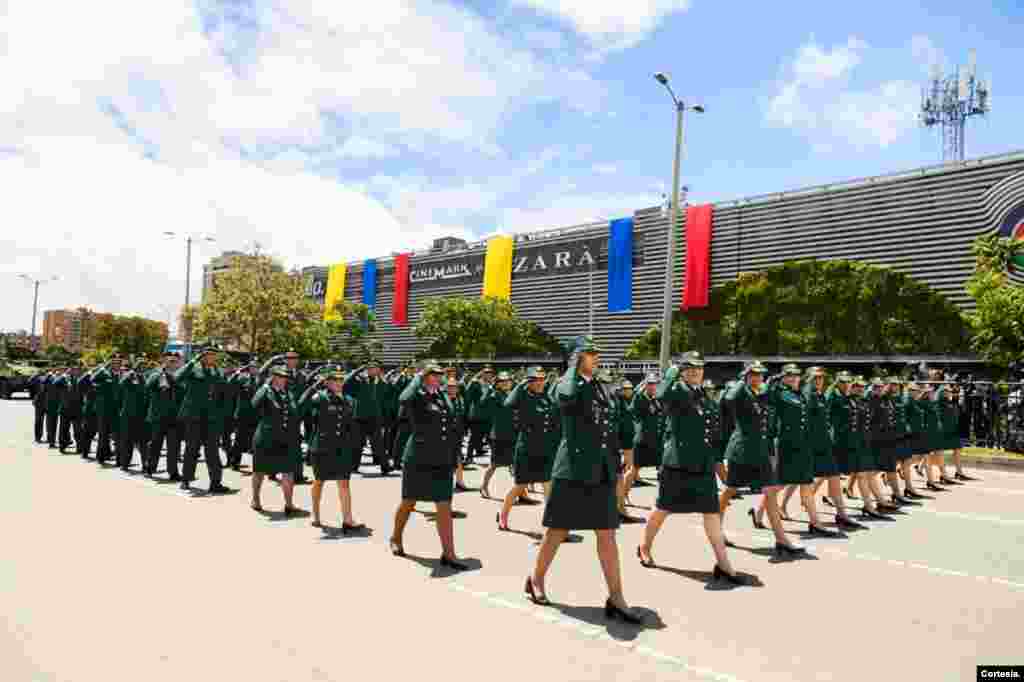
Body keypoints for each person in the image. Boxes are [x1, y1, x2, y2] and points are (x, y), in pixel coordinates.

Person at [526, 337, 641, 624]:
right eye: (590, 354)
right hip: (573, 469)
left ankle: (616, 596)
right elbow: (563, 395)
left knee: (607, 534)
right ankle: (536, 579)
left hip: (600, 469)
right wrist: (572, 368)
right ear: (577, 358)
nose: (596, 357)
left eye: (596, 353)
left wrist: (618, 460)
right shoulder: (568, 384)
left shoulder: (598, 386)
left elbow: (609, 425)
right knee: (556, 531)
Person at [638, 351, 745, 585]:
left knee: (711, 513)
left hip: (703, 464)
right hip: (678, 464)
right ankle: (644, 547)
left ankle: (724, 563)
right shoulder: (676, 390)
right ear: (682, 371)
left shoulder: (703, 395)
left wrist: (717, 459)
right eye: (689, 368)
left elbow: (712, 429)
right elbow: (661, 394)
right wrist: (672, 372)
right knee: (663, 508)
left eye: (698, 368)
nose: (695, 371)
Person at [719, 361, 806, 559]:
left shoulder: (763, 393)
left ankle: (782, 539)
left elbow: (775, 403)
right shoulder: (739, 391)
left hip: (760, 452)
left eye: (760, 374)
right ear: (746, 375)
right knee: (729, 491)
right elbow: (729, 399)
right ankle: (717, 527)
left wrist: (776, 383)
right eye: (753, 374)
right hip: (741, 452)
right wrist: (742, 381)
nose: (757, 377)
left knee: (770, 492)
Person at [389, 363, 467, 570]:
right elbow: (403, 399)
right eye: (432, 374)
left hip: (441, 459)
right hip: (418, 458)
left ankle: (449, 553)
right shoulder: (416, 395)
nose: (437, 377)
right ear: (424, 376)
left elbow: (450, 420)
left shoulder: (441, 395)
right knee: (408, 502)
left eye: (439, 374)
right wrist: (417, 378)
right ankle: (396, 537)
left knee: (444, 505)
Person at [300, 370, 364, 531]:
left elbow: (352, 425)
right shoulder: (320, 398)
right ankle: (316, 515)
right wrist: (313, 387)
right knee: (319, 481)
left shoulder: (350, 400)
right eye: (334, 380)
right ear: (327, 382)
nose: (338, 382)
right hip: (322, 447)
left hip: (342, 448)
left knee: (344, 482)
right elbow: (301, 405)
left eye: (341, 379)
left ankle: (348, 520)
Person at [498, 367, 558, 531]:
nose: (540, 382)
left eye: (542, 379)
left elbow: (554, 418)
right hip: (527, 449)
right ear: (529, 381)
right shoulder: (522, 396)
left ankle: (552, 524)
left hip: (545, 449)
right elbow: (508, 404)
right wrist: (520, 385)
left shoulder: (546, 397)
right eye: (536, 379)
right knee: (520, 486)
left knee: (547, 485)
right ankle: (503, 515)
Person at [174, 348, 231, 495]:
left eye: (214, 355)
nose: (212, 357)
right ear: (202, 356)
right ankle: (186, 479)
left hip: (211, 418)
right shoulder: (194, 370)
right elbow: (177, 377)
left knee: (212, 452)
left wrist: (222, 415)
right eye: (208, 355)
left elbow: (224, 393)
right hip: (194, 417)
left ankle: (215, 483)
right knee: (191, 449)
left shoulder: (217, 372)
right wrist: (193, 360)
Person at [251, 366, 301, 513]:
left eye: (285, 377)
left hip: (285, 438)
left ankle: (289, 504)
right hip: (266, 437)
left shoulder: (288, 393)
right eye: (280, 377)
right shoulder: (266, 391)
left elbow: (293, 411)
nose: (283, 379)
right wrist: (265, 386)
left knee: (288, 471)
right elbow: (254, 403)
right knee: (259, 470)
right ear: (273, 377)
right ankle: (255, 498)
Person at [343, 361, 390, 475]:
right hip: (359, 417)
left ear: (378, 370)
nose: (371, 370)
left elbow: (386, 401)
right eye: (369, 368)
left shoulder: (383, 383)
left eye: (374, 368)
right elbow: (345, 382)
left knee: (378, 444)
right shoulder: (360, 381)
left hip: (375, 418)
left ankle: (385, 467)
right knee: (357, 444)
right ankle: (353, 467)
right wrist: (358, 370)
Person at [146, 352, 182, 481]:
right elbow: (148, 385)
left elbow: (183, 391)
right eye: (170, 361)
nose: (172, 363)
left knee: (173, 447)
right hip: (158, 416)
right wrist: (162, 373)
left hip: (173, 417)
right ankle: (150, 468)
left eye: (175, 361)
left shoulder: (180, 376)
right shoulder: (156, 373)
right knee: (155, 444)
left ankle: (173, 472)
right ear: (165, 361)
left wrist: (172, 377)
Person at [479, 371, 515, 499]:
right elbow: (483, 403)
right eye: (502, 381)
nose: (506, 383)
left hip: (512, 434)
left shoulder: (511, 394)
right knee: (494, 464)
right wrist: (489, 389)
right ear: (498, 384)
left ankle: (521, 492)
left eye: (508, 381)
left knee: (516, 464)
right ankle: (483, 486)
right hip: (499, 435)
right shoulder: (495, 395)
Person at [631, 374, 664, 488]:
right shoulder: (639, 398)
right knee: (634, 468)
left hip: (657, 439)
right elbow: (633, 410)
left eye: (654, 384)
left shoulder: (657, 400)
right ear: (645, 385)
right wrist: (640, 391)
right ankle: (622, 495)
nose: (652, 386)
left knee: (662, 467)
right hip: (643, 439)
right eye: (649, 384)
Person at [117, 360, 149, 473]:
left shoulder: (144, 378)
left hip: (140, 415)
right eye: (140, 366)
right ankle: (125, 463)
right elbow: (121, 384)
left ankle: (145, 465)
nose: (142, 368)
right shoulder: (129, 376)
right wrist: (130, 373)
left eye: (144, 366)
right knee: (127, 440)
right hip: (128, 414)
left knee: (142, 441)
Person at [227, 363, 258, 470]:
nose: (254, 369)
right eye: (252, 367)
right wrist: (238, 372)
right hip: (242, 415)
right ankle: (234, 462)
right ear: (249, 369)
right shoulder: (242, 379)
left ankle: (259, 466)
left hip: (255, 415)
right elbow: (230, 383)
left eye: (256, 367)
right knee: (239, 441)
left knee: (256, 441)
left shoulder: (260, 381)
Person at [464, 365, 494, 463]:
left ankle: (496, 458)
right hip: (477, 415)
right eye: (486, 373)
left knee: (490, 438)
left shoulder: (492, 385)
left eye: (490, 373)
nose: (488, 375)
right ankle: (469, 457)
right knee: (474, 437)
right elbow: (468, 398)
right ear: (482, 374)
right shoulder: (475, 383)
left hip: (489, 415)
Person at [56, 364, 84, 454]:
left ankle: (80, 447)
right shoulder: (65, 379)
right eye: (74, 370)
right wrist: (64, 375)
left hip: (77, 409)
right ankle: (62, 446)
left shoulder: (81, 380)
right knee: (63, 429)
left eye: (78, 370)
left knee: (78, 430)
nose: (76, 371)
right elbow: (55, 383)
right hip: (65, 409)